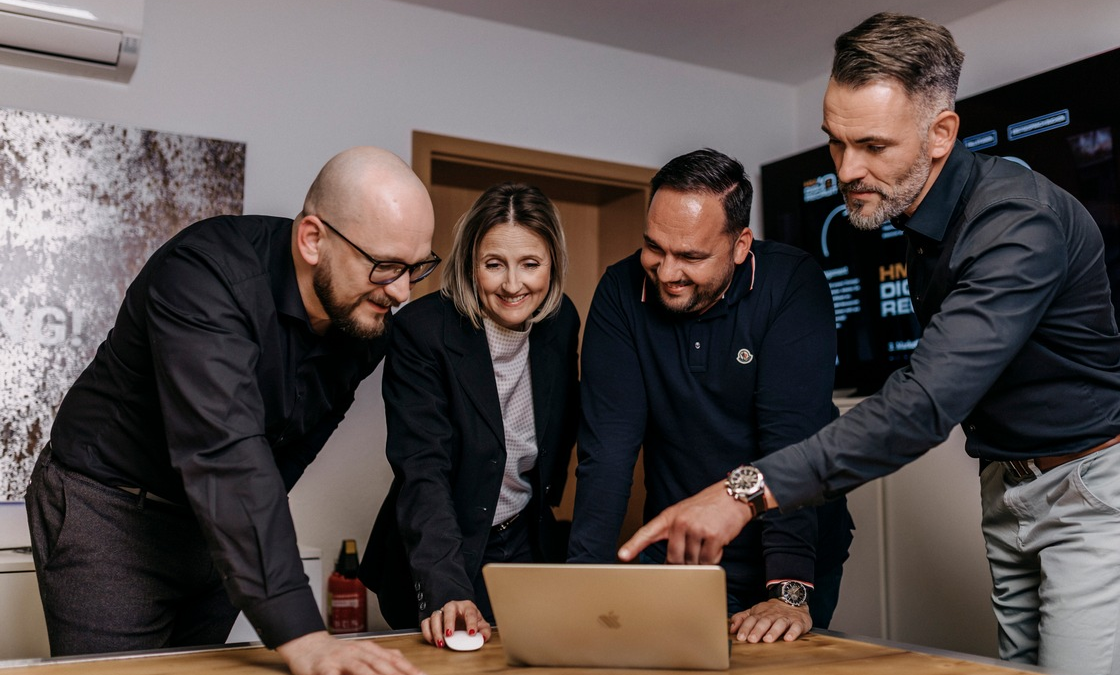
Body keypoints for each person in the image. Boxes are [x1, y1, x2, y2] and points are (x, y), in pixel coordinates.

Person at [619, 13, 1120, 675]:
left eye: (871, 145)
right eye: (835, 143)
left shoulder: (1016, 223)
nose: (846, 168)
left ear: (941, 133)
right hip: (1013, 481)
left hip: (1104, 482)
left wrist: (742, 491)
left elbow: (923, 403)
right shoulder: (916, 210)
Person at [26, 146, 437, 675]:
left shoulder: (363, 316)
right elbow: (224, 452)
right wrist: (305, 635)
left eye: (416, 268)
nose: (401, 291)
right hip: (109, 509)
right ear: (313, 239)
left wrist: (244, 536)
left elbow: (296, 443)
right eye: (384, 266)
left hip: (212, 519)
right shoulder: (204, 277)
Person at [568, 148, 853, 644]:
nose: (666, 272)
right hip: (682, 547)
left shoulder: (790, 284)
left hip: (790, 549)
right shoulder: (620, 290)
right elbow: (607, 451)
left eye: (692, 256)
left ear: (741, 244)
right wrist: (582, 581)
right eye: (655, 247)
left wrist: (788, 594)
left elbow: (792, 442)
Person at [359, 182, 580, 649]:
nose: (514, 284)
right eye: (494, 264)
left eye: (531, 264)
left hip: (522, 540)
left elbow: (562, 426)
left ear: (553, 264)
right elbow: (423, 470)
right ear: (469, 264)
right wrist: (447, 589)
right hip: (441, 546)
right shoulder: (422, 332)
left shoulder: (561, 323)